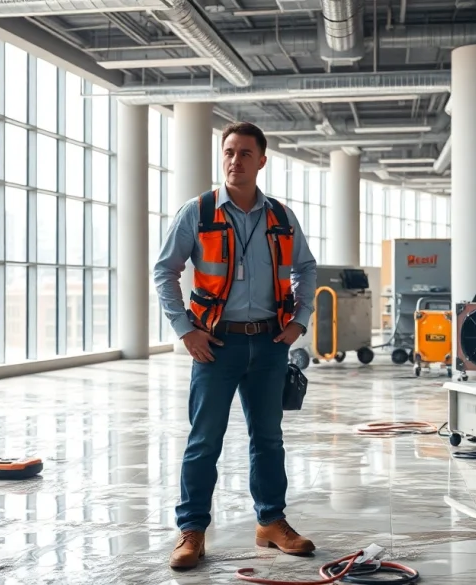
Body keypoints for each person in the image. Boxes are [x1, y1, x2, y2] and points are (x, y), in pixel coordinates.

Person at [153, 121, 318, 570]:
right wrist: (185, 329)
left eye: (245, 153)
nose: (235, 160)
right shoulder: (199, 211)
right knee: (204, 441)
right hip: (216, 343)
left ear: (261, 160)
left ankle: (271, 523)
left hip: (268, 343)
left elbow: (306, 268)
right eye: (229, 151)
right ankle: (192, 531)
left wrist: (299, 322)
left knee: (268, 438)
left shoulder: (280, 216)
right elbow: (164, 271)